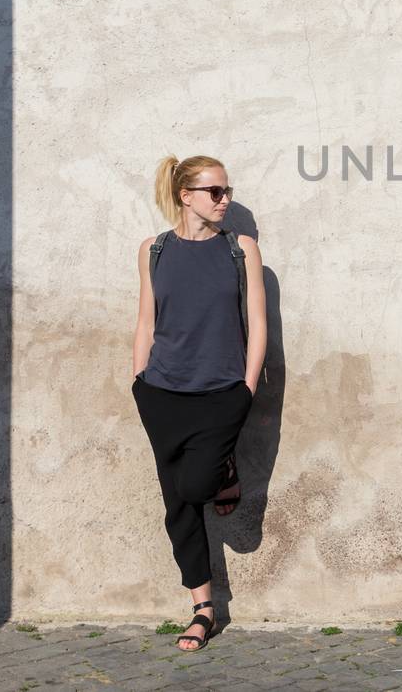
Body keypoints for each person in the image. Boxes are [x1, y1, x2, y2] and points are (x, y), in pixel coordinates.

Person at [131, 154, 266, 652]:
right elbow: (146, 321)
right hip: (161, 393)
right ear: (186, 196)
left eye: (227, 190)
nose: (225, 199)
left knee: (197, 482)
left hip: (221, 394)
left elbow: (257, 324)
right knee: (179, 505)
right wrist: (138, 381)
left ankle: (224, 471)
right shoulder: (154, 250)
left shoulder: (241, 249)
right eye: (215, 192)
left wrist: (247, 388)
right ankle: (202, 608)